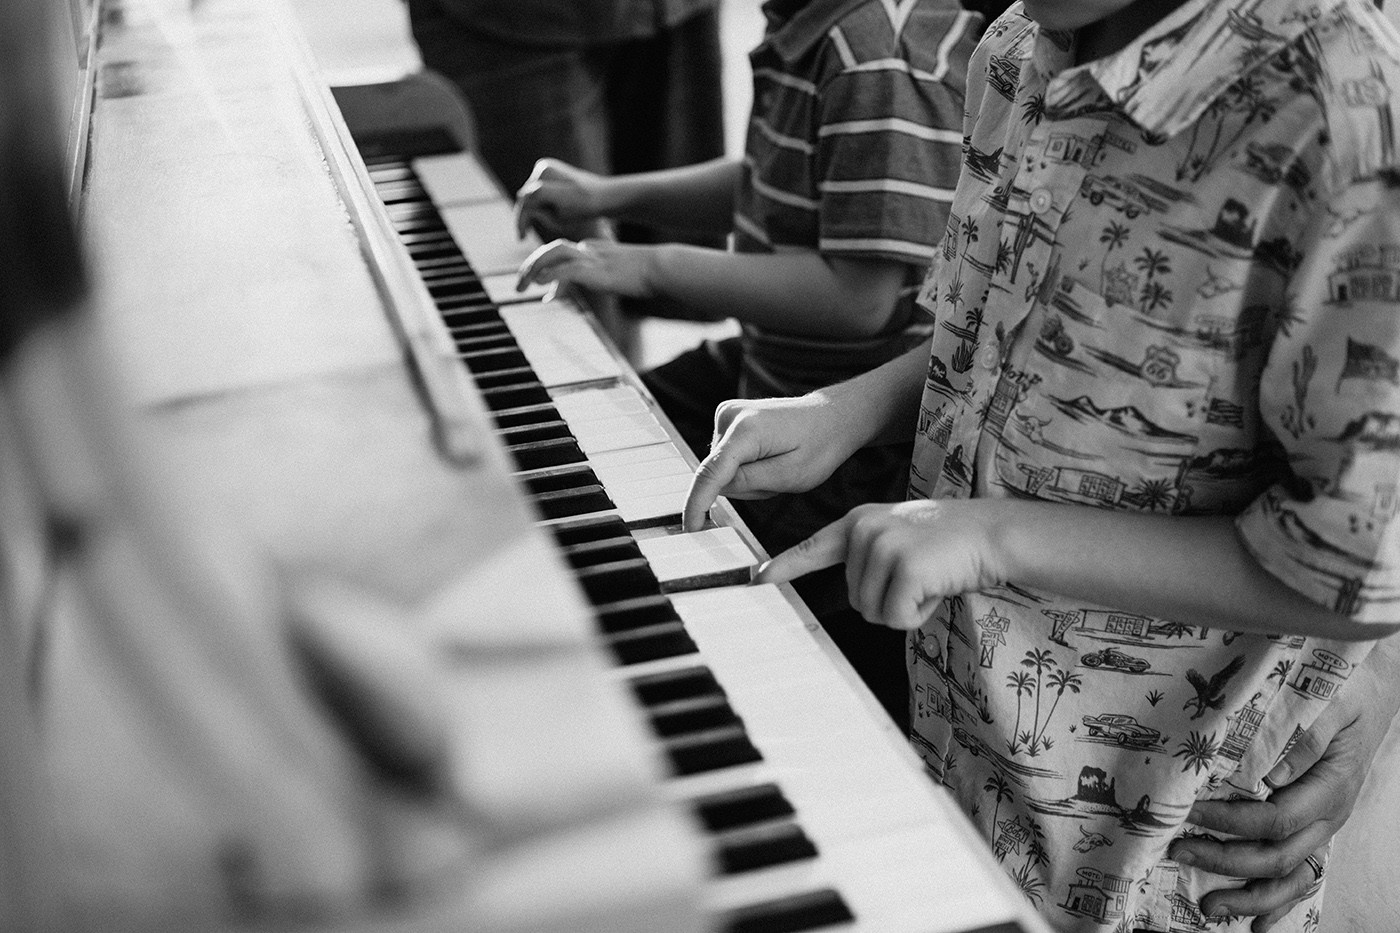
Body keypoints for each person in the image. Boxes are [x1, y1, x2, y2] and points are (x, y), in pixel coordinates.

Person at [681, 0, 1400, 929]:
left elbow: (1352, 568)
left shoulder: (1345, 112)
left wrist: (989, 540)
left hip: (1158, 850)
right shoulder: (1016, 46)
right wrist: (847, 410)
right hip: (953, 751)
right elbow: (1007, 333)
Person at [516, 0, 987, 727]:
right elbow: (779, 179)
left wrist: (651, 267)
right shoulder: (815, 24)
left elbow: (859, 297)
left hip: (846, 430)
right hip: (773, 362)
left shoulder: (876, 60)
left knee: (674, 603)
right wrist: (614, 196)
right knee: (566, 437)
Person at [406, 0, 728, 358]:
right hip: (502, 19)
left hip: (670, 9)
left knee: (613, 277)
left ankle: (623, 395)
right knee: (548, 305)